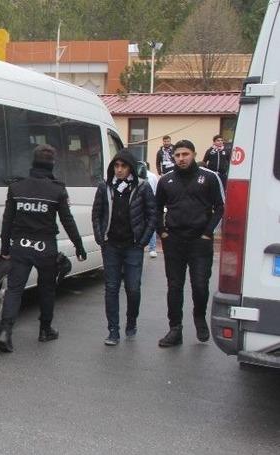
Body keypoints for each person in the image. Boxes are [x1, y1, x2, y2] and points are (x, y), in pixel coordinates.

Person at [0, 144, 87, 353]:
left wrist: (5, 246)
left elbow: (7, 220)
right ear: (52, 164)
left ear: (33, 162)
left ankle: (6, 331)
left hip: (20, 245)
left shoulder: (17, 188)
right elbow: (67, 220)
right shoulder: (57, 190)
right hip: (46, 247)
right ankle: (45, 330)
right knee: (47, 289)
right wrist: (79, 246)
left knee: (14, 289)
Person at [156, 139, 225, 347]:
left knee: (200, 285)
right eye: (177, 155)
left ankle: (199, 317)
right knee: (174, 287)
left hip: (200, 241)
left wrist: (207, 232)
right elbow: (156, 209)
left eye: (185, 154)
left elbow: (220, 207)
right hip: (174, 241)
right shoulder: (165, 180)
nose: (181, 158)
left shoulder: (210, 177)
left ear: (194, 154)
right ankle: (175, 329)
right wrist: (162, 233)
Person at [91, 149, 157, 346]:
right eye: (116, 166)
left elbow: (152, 215)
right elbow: (96, 213)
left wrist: (143, 240)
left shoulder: (142, 187)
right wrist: (99, 237)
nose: (119, 170)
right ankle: (113, 331)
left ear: (130, 168)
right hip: (111, 245)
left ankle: (131, 321)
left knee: (133, 288)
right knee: (111, 288)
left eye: (123, 166)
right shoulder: (105, 187)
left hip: (133, 246)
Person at [139, 160, 160, 258]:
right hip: (145, 203)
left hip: (147, 203)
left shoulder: (151, 177)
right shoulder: (153, 176)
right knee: (147, 225)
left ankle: (151, 248)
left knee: (149, 224)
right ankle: (150, 248)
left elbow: (156, 189)